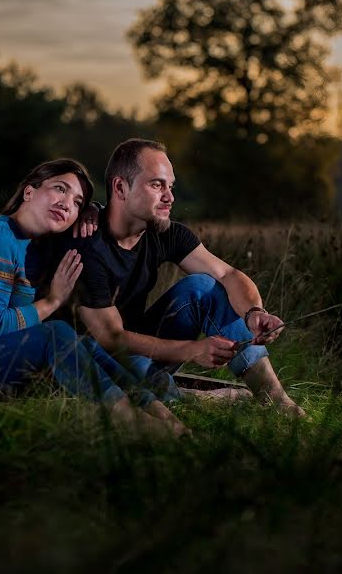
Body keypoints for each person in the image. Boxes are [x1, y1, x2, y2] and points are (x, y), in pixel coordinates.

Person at [0, 158, 187, 435]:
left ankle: (156, 410)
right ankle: (127, 418)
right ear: (29, 192)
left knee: (84, 345)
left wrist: (93, 209)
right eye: (60, 189)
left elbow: (104, 213)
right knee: (55, 334)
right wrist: (52, 301)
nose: (68, 203)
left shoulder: (37, 244)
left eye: (77, 202)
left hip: (2, 362)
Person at [59, 139, 305, 417]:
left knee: (203, 287)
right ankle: (194, 397)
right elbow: (110, 337)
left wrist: (254, 313)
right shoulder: (87, 243)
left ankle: (275, 400)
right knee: (134, 372)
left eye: (170, 186)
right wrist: (192, 350)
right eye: (156, 185)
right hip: (90, 359)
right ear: (120, 188)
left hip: (141, 349)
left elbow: (227, 274)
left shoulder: (166, 233)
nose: (169, 196)